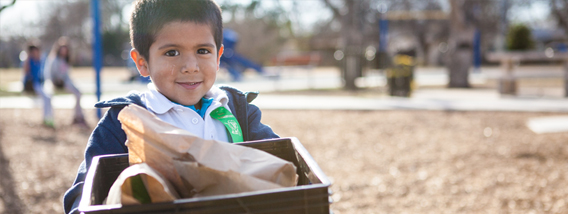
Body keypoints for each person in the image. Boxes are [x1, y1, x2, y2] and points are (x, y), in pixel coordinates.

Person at [63, 0, 279, 213]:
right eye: (172, 53)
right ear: (142, 62)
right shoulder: (124, 123)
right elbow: (83, 197)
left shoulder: (240, 113)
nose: (190, 67)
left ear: (218, 57)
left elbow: (283, 165)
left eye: (203, 51)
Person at [43, 37, 86, 126]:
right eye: (62, 50)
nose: (64, 52)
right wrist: (54, 81)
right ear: (59, 50)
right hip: (55, 83)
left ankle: (78, 116)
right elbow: (50, 74)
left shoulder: (66, 60)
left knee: (78, 93)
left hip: (64, 82)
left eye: (65, 50)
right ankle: (49, 118)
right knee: (48, 96)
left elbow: (67, 75)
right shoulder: (54, 59)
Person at [22, 44, 54, 127]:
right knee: (46, 98)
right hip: (32, 84)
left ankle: (49, 118)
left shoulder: (40, 60)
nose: (36, 53)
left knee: (48, 97)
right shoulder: (29, 61)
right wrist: (27, 58)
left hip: (39, 84)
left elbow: (42, 73)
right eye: (34, 51)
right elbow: (25, 71)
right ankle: (46, 119)